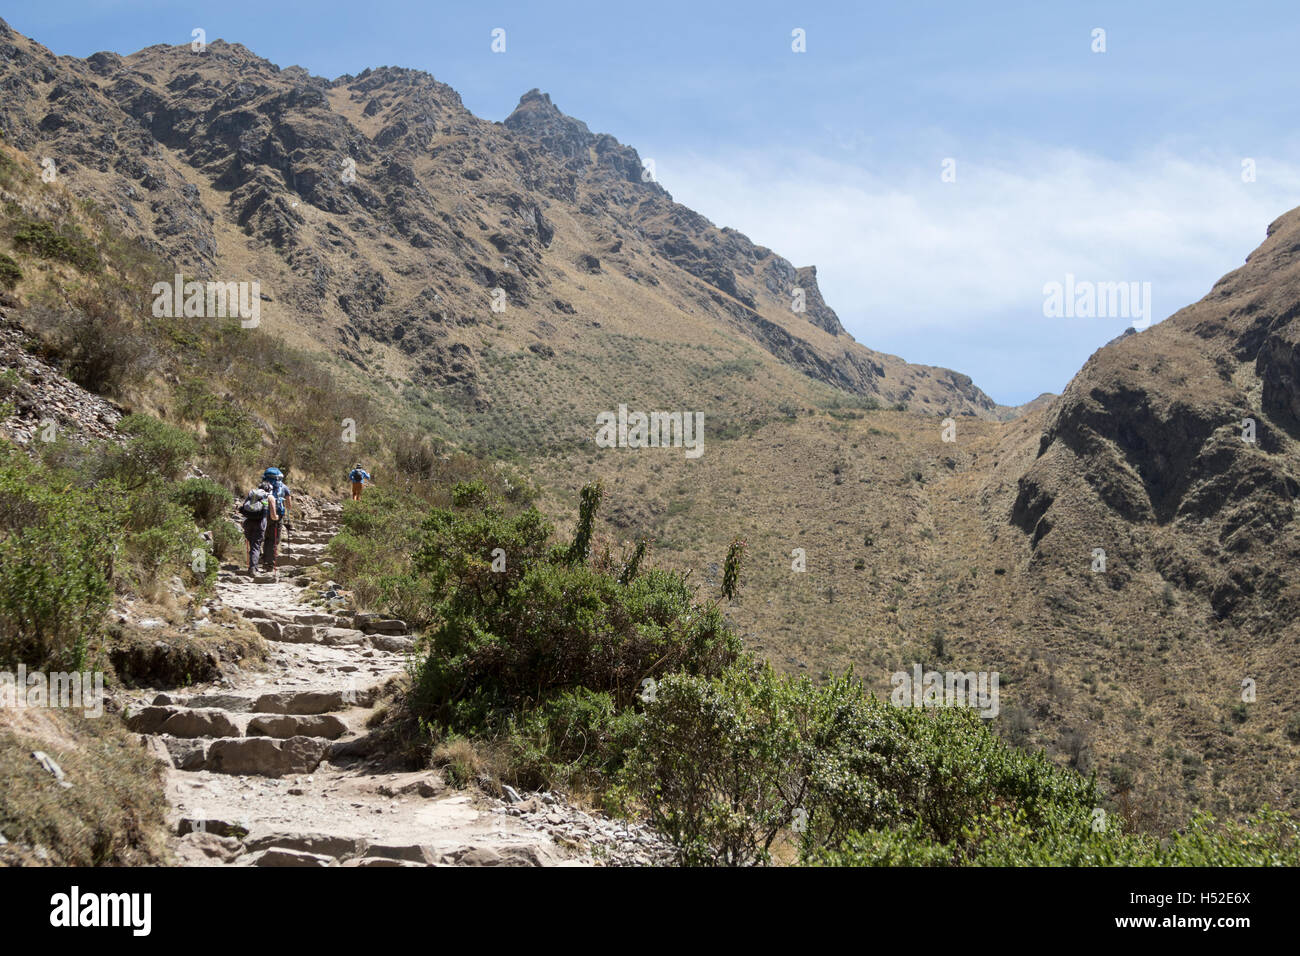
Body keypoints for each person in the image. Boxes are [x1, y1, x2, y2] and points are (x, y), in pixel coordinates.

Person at [239, 480, 278, 575]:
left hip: (248, 522)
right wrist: (277, 517)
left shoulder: (252, 494)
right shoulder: (270, 497)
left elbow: (243, 508)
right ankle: (253, 568)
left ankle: (253, 565)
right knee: (256, 546)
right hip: (260, 523)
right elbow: (273, 516)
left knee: (253, 545)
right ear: (269, 489)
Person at [260, 467, 291, 572]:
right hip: (277, 516)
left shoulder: (263, 486)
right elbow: (289, 505)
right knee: (273, 540)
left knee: (264, 538)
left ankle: (261, 559)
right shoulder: (284, 487)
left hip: (262, 515)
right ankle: (269, 564)